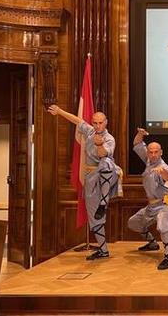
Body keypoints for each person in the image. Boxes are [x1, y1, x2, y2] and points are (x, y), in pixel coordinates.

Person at [48, 105, 121, 260]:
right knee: (94, 217)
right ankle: (103, 250)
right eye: (95, 123)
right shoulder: (90, 132)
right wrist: (60, 112)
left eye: (100, 123)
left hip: (106, 176)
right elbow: (77, 120)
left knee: (106, 162)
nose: (97, 126)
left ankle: (103, 202)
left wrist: (99, 144)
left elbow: (103, 154)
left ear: (106, 122)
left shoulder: (109, 138)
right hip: (90, 178)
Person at [129, 128, 168, 270]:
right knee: (133, 223)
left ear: (161, 152)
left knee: (162, 224)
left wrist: (163, 173)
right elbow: (137, 144)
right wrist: (140, 134)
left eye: (156, 152)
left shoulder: (163, 166)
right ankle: (152, 243)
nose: (153, 154)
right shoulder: (149, 161)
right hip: (151, 207)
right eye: (151, 152)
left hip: (164, 205)